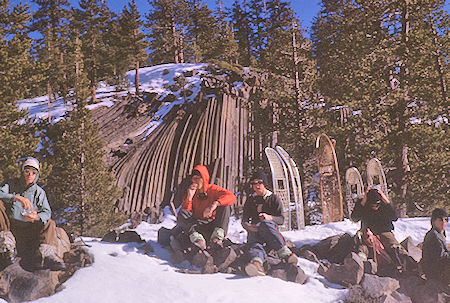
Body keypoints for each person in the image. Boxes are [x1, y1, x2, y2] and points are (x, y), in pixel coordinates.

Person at [0, 157, 65, 271]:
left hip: (29, 230)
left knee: (50, 223)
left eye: (34, 172)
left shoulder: (39, 192)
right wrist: (15, 197)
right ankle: (7, 247)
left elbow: (46, 212)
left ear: (37, 175)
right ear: (22, 171)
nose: (30, 174)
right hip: (10, 228)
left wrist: (37, 217)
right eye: (27, 171)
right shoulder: (10, 184)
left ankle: (46, 256)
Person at [241, 171, 298, 276]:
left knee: (265, 224)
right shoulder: (250, 199)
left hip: (270, 231)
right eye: (253, 183)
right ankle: (257, 264)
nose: (256, 186)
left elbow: (281, 219)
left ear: (264, 184)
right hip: (255, 230)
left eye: (259, 182)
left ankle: (285, 253)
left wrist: (269, 218)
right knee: (254, 243)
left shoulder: (273, 198)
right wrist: (248, 226)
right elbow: (244, 219)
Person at [176, 164, 236, 250]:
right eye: (193, 178)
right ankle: (198, 241)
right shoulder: (191, 192)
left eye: (197, 178)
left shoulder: (212, 189)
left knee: (225, 206)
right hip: (197, 226)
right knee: (182, 213)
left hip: (212, 225)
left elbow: (231, 196)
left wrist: (214, 204)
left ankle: (216, 239)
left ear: (204, 179)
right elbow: (185, 213)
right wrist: (189, 198)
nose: (194, 181)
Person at [351, 187, 407, 270]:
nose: (375, 207)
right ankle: (360, 265)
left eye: (377, 205)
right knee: (362, 248)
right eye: (372, 205)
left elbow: (394, 217)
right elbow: (354, 218)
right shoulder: (363, 205)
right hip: (367, 232)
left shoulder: (384, 205)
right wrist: (363, 201)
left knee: (393, 245)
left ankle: (407, 261)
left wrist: (386, 201)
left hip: (384, 231)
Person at [421, 208, 449, 285]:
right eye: (440, 219)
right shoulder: (434, 236)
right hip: (434, 271)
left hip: (439, 267)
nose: (443, 222)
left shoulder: (441, 233)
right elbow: (441, 256)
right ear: (433, 221)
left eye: (446, 220)